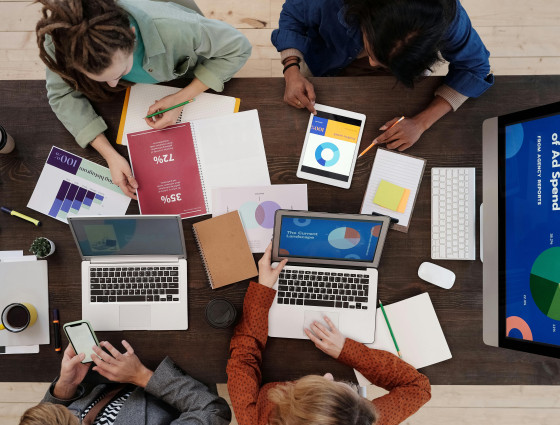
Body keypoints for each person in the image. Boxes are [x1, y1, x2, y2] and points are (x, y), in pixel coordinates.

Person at [36, 0, 252, 199]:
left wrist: (182, 98)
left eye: (120, 73)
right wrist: (109, 154)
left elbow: (239, 48)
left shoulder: (179, 28)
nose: (113, 85)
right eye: (99, 79)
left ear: (132, 35)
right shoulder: (61, 41)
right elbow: (61, 94)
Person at [226, 244, 431, 425]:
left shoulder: (252, 419)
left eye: (325, 386)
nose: (328, 375)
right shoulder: (361, 421)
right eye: (351, 392)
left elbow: (243, 359)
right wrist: (347, 350)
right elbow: (418, 387)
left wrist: (262, 290)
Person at [271, 0, 493, 151]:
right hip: (326, 58)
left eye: (384, 61)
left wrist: (421, 123)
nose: (372, 64)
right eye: (373, 52)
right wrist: (291, 69)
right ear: (364, 14)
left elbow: (475, 68)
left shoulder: (446, 17)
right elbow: (293, 15)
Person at [19, 339, 231, 425]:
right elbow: (213, 410)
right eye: (74, 417)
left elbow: (47, 417)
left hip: (109, 370)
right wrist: (141, 376)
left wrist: (65, 386)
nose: (76, 413)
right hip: (178, 373)